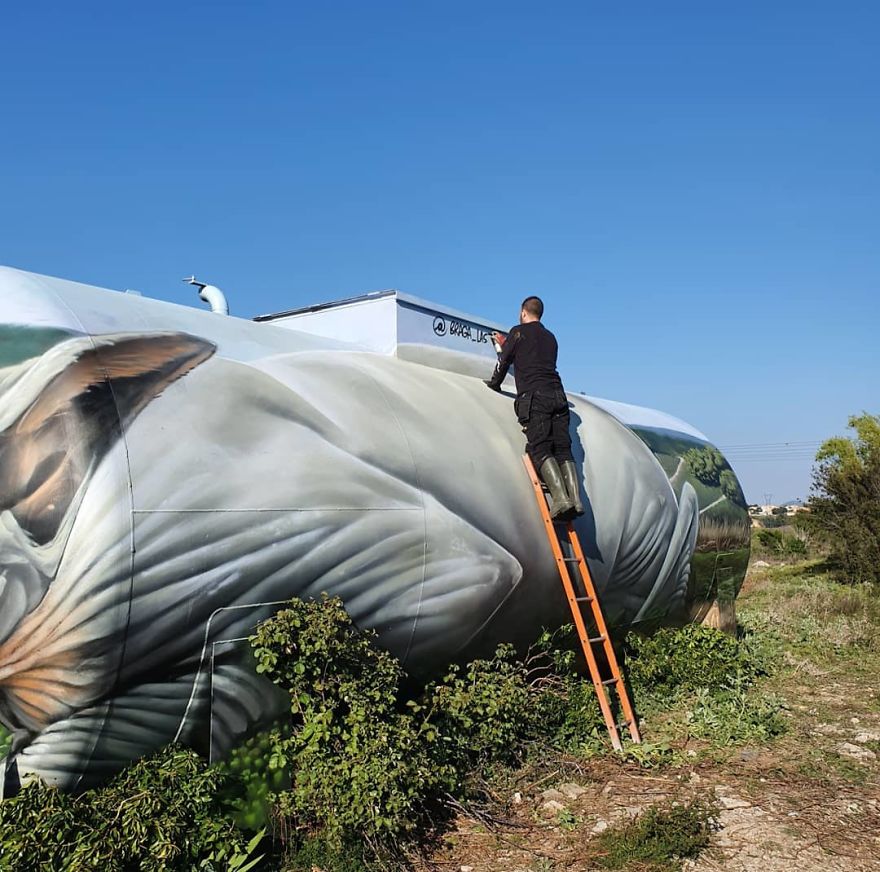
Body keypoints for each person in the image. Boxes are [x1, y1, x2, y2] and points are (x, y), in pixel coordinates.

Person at [485, 296, 584, 521]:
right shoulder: (551, 338)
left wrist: (494, 383)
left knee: (539, 448)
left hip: (535, 397)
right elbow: (535, 357)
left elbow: (504, 363)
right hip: (558, 395)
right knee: (562, 449)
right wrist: (509, 341)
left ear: (523, 312)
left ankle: (560, 499)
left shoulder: (518, 332)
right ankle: (576, 500)